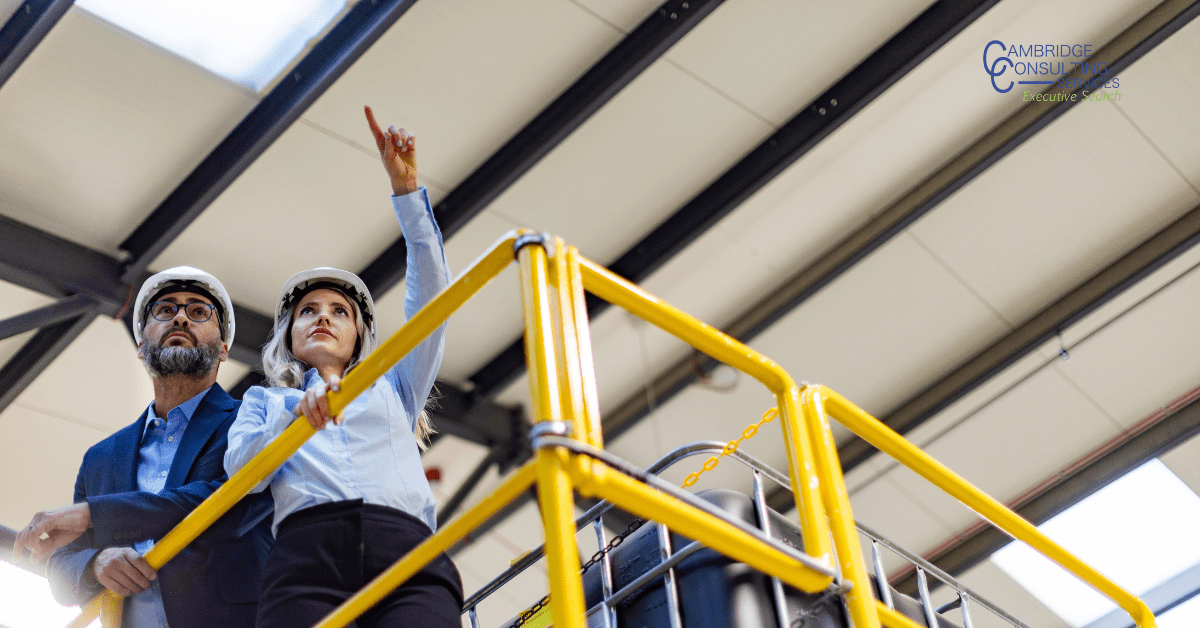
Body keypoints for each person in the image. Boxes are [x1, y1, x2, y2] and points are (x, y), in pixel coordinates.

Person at [223, 106, 460, 628]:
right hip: (307, 558)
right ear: (290, 334)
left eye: (339, 312)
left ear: (359, 336)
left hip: (407, 554)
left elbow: (433, 302)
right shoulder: (265, 402)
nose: (323, 318)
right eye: (308, 311)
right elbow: (240, 473)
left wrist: (407, 195)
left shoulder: (396, 387)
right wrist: (295, 420)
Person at [12, 267, 274, 628]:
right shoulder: (101, 458)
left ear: (224, 348)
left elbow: (232, 501)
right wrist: (95, 563)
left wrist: (95, 514)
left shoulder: (251, 422)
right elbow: (62, 563)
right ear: (140, 346)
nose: (180, 316)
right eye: (164, 311)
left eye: (198, 312)